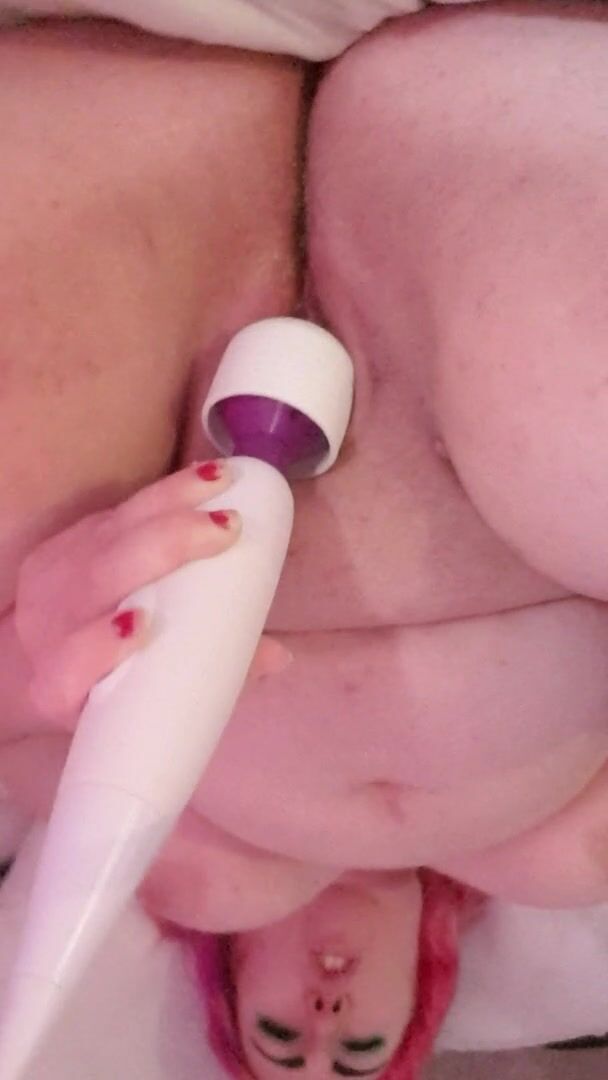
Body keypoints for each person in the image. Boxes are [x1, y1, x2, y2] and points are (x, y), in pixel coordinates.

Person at [1, 0, 608, 1066]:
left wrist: (32, 654)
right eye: (362, 1053)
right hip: (460, 283)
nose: (324, 1020)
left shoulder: (200, 871)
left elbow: (16, 730)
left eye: (277, 1041)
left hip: (139, 430)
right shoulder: (558, 856)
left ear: (223, 987)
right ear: (425, 995)